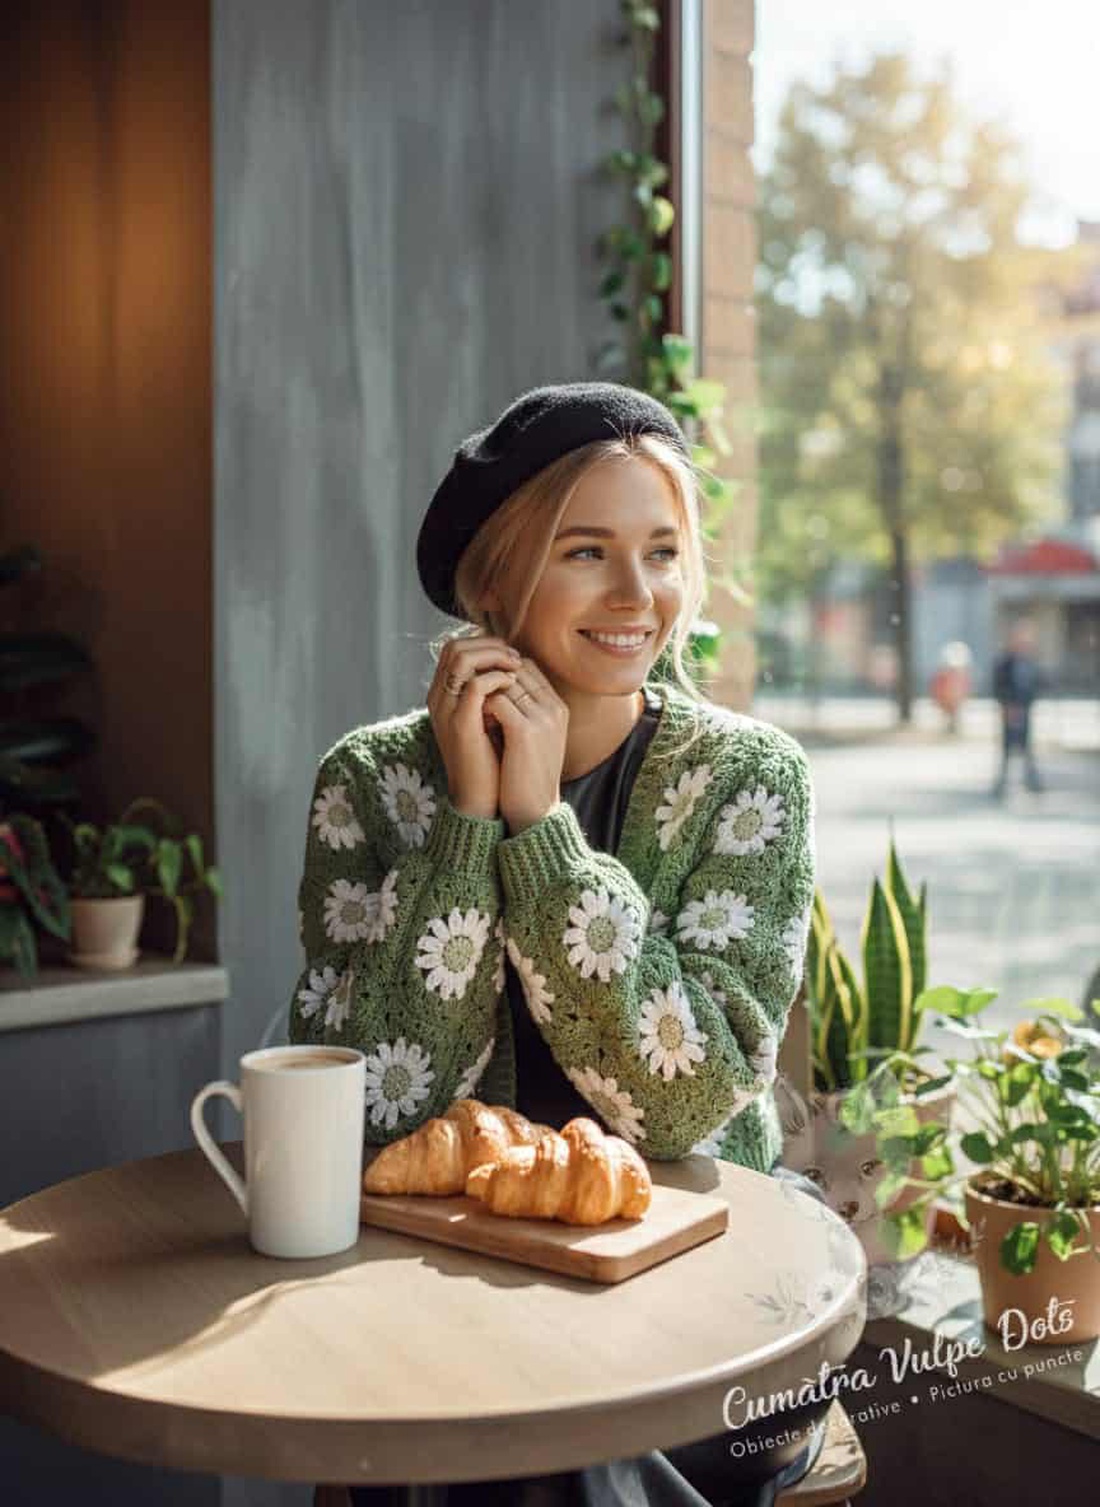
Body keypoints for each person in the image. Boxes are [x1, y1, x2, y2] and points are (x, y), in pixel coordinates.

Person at [290, 383, 828, 1506]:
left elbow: (684, 1111)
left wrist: (541, 835)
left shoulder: (748, 783)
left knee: (532, 1443)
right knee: (479, 1417)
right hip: (443, 1289)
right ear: (498, 580)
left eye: (663, 552)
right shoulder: (370, 783)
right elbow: (373, 1123)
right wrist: (464, 828)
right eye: (588, 551)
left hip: (703, 1294)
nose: (639, 596)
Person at [991, 620, 1045, 795]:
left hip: (1025, 710)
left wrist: (1028, 703)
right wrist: (1007, 705)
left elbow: (1035, 686)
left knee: (1026, 747)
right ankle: (1002, 783)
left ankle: (1032, 781)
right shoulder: (1004, 663)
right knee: (1007, 748)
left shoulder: (1030, 661)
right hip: (1009, 711)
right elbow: (998, 686)